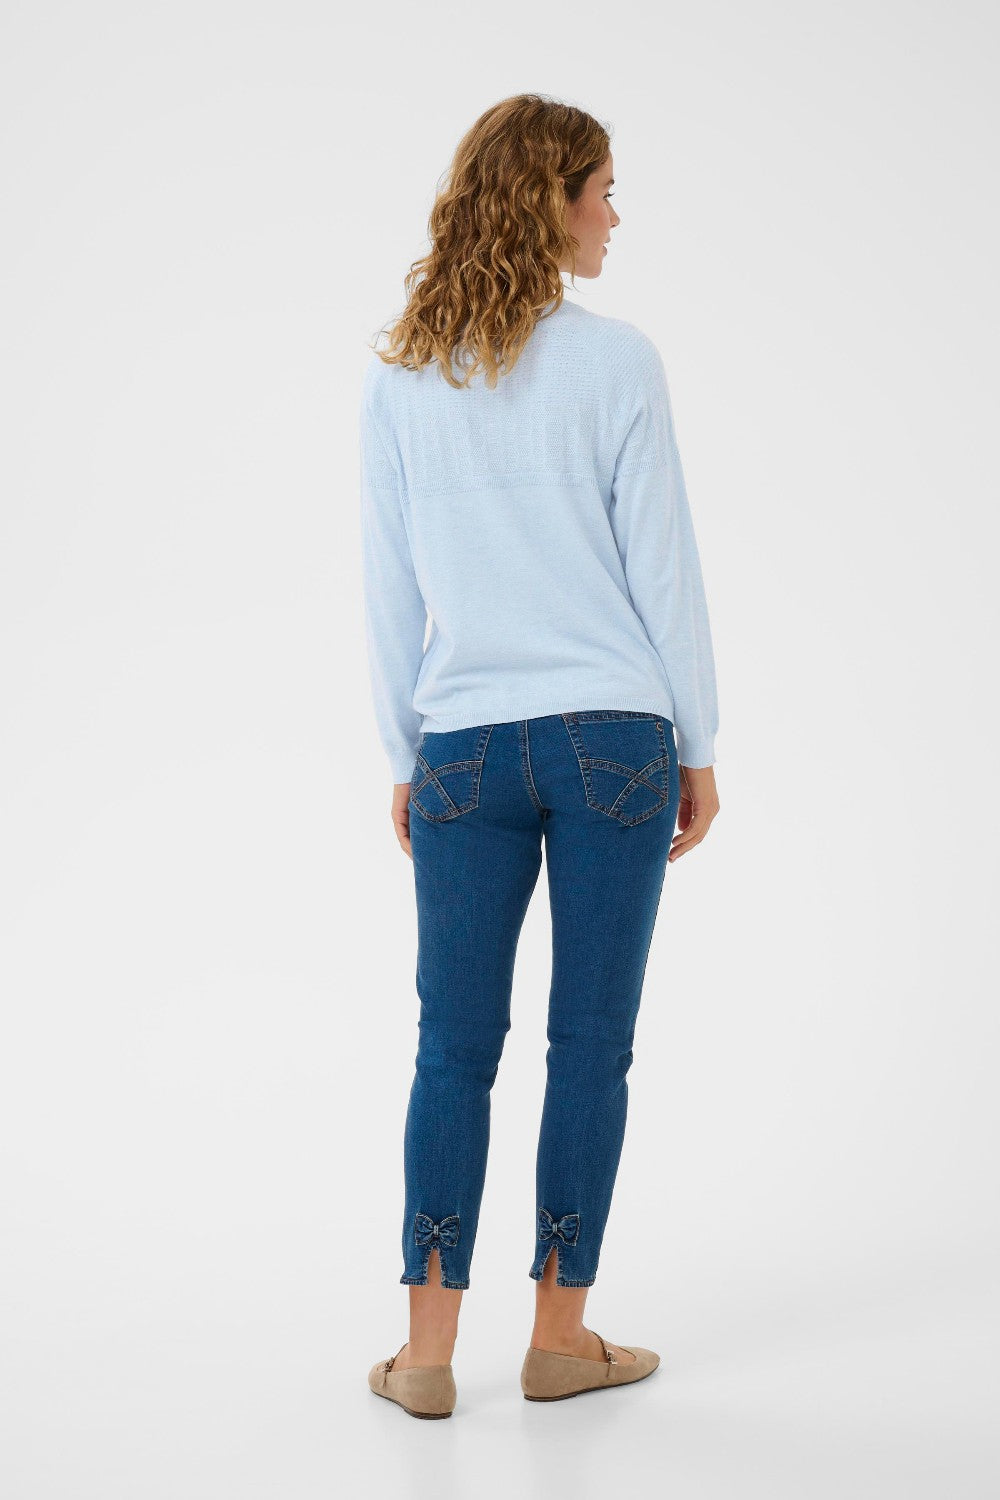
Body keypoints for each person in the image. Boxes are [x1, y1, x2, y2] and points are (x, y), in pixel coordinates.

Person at [360, 93, 720, 1418]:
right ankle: (560, 1337)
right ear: (551, 198)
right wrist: (703, 734)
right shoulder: (618, 362)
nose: (616, 216)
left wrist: (404, 750)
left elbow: (388, 589)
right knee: (590, 1046)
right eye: (604, 190)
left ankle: (428, 1357)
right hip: (617, 735)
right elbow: (664, 566)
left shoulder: (404, 374)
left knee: (451, 1051)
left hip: (459, 740)